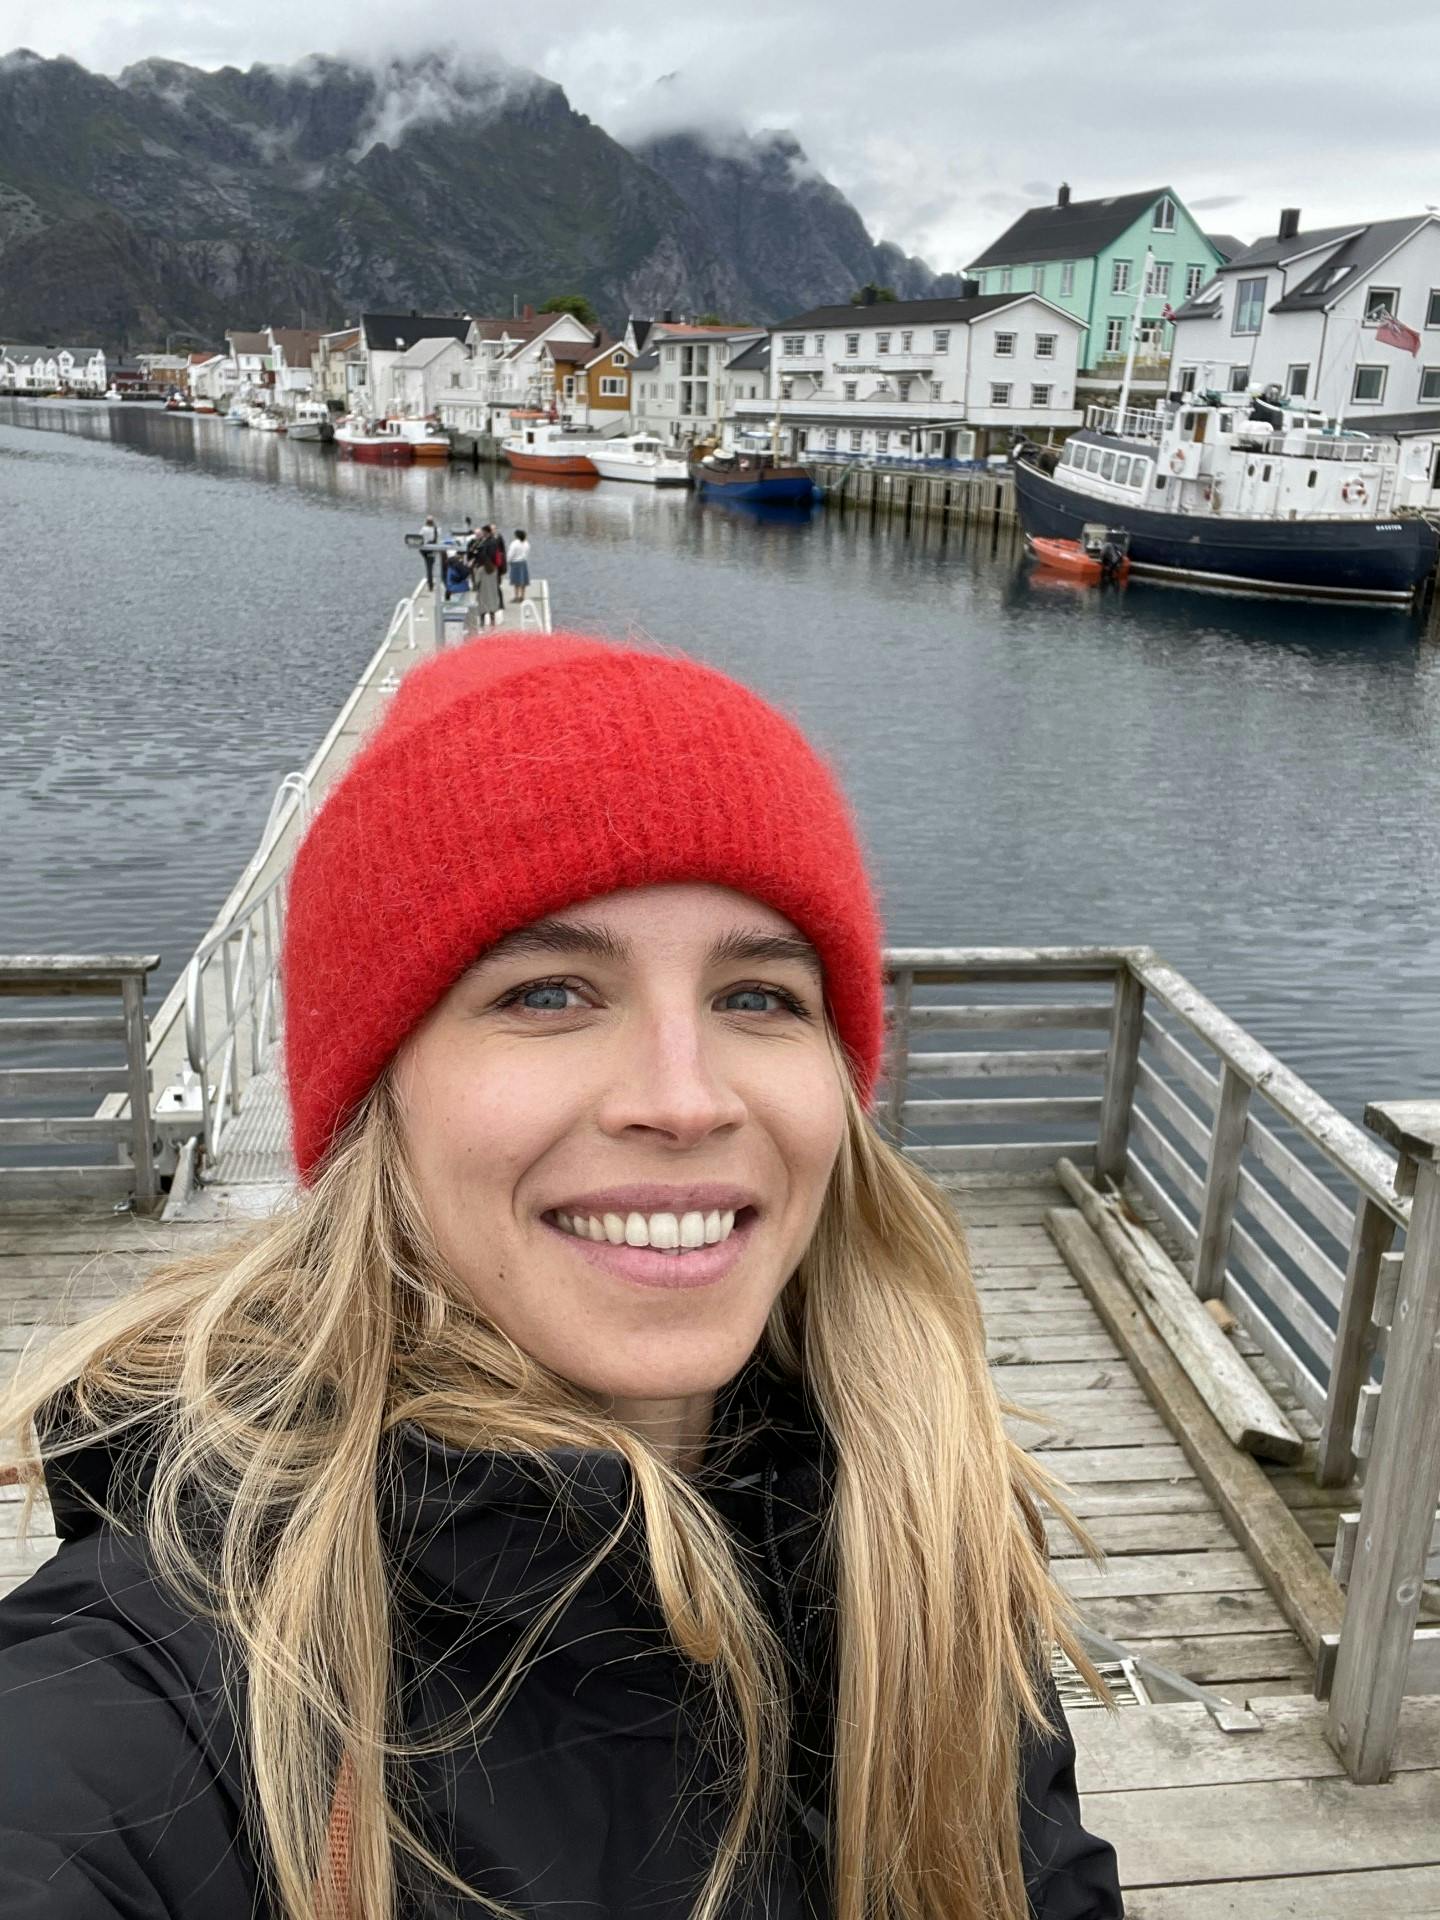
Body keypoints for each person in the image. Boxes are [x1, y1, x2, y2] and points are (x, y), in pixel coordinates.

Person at [0, 636, 1124, 1920]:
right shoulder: (156, 1699)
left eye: (759, 997)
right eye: (547, 994)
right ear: (377, 1101)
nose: (684, 1099)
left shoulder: (925, 1560)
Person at [471, 522, 505, 629]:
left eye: (483, 532)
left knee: (482, 598)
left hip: (485, 570)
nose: (482, 534)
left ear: (486, 532)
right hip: (491, 570)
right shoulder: (493, 542)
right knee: (492, 597)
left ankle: (482, 622)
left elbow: (482, 555)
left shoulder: (486, 543)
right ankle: (492, 621)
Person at [507, 527, 531, 603]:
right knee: (523, 581)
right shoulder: (526, 543)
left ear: (516, 535)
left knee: (516, 581)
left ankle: (516, 597)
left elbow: (510, 554)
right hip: (523, 562)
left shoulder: (514, 543)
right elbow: (527, 552)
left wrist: (508, 561)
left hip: (515, 562)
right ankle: (522, 596)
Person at [417, 513, 440, 590]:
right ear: (433, 522)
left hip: (424, 550)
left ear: (426, 521)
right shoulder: (436, 529)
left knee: (428, 566)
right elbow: (438, 538)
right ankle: (430, 584)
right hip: (432, 550)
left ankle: (430, 583)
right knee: (430, 566)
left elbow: (419, 537)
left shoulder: (423, 529)